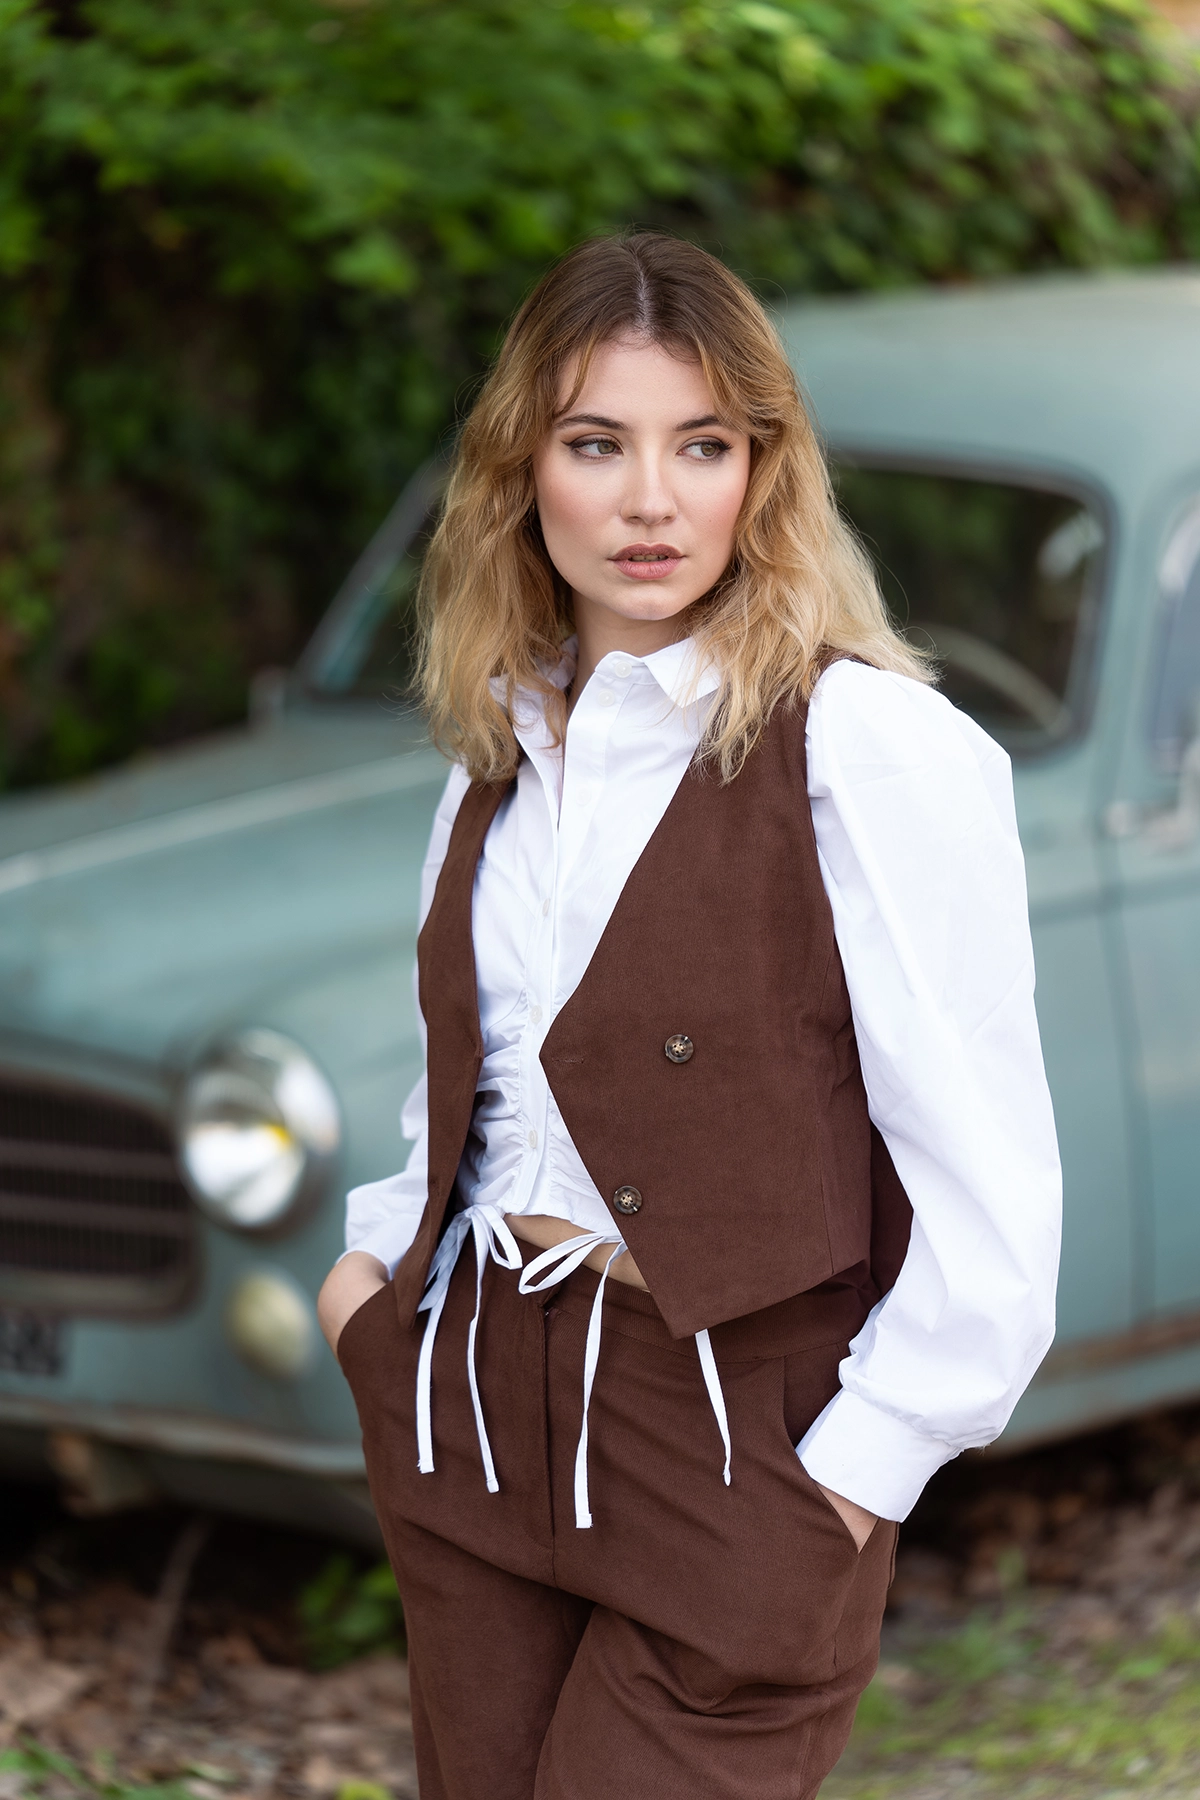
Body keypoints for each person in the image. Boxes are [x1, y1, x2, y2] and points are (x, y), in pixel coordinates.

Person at [317, 231, 1061, 1800]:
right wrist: (370, 1285)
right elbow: (475, 1077)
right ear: (525, 470)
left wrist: (852, 1481)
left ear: (760, 472)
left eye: (701, 446)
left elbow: (989, 1187)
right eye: (599, 444)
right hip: (469, 1398)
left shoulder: (871, 749)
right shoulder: (497, 747)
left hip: (734, 1431)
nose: (651, 500)